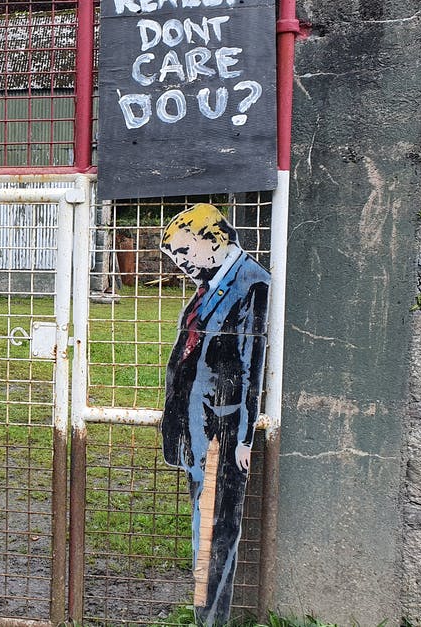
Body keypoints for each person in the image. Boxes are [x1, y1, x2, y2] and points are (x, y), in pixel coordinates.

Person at [159, 202, 271, 626]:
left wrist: (244, 438)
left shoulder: (250, 283)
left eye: (184, 252)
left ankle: (212, 618)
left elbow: (249, 363)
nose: (180, 263)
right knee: (202, 522)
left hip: (224, 429)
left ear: (214, 240)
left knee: (219, 528)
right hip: (199, 426)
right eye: (174, 257)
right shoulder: (213, 281)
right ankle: (203, 608)